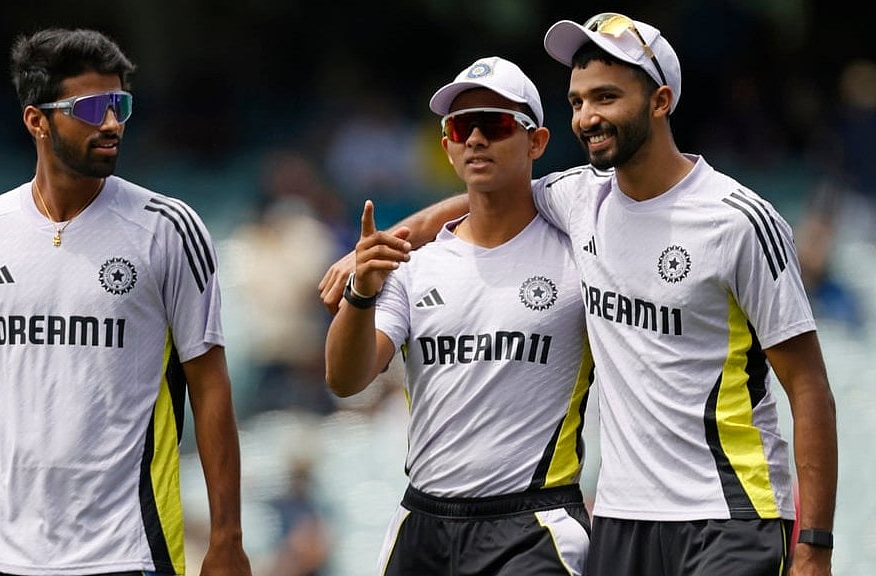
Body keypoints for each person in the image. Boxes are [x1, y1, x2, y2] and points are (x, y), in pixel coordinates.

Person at [319, 14, 838, 576]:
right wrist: (381, 248)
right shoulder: (579, 199)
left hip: (730, 512)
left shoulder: (738, 220)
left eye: (607, 97)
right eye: (577, 101)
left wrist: (814, 545)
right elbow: (484, 194)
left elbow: (808, 386)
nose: (588, 117)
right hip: (621, 517)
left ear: (660, 101)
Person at [0, 28, 252, 576]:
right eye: (91, 107)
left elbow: (210, 389)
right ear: (36, 120)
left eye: (120, 104)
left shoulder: (168, 230)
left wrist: (227, 538)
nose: (112, 123)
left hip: (127, 551)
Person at [325, 55, 593, 575]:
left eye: (492, 124)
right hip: (422, 525)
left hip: (534, 525)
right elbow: (344, 378)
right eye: (459, 126)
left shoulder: (579, 254)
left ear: (536, 142)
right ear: (447, 144)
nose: (474, 139)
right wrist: (360, 295)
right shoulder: (414, 267)